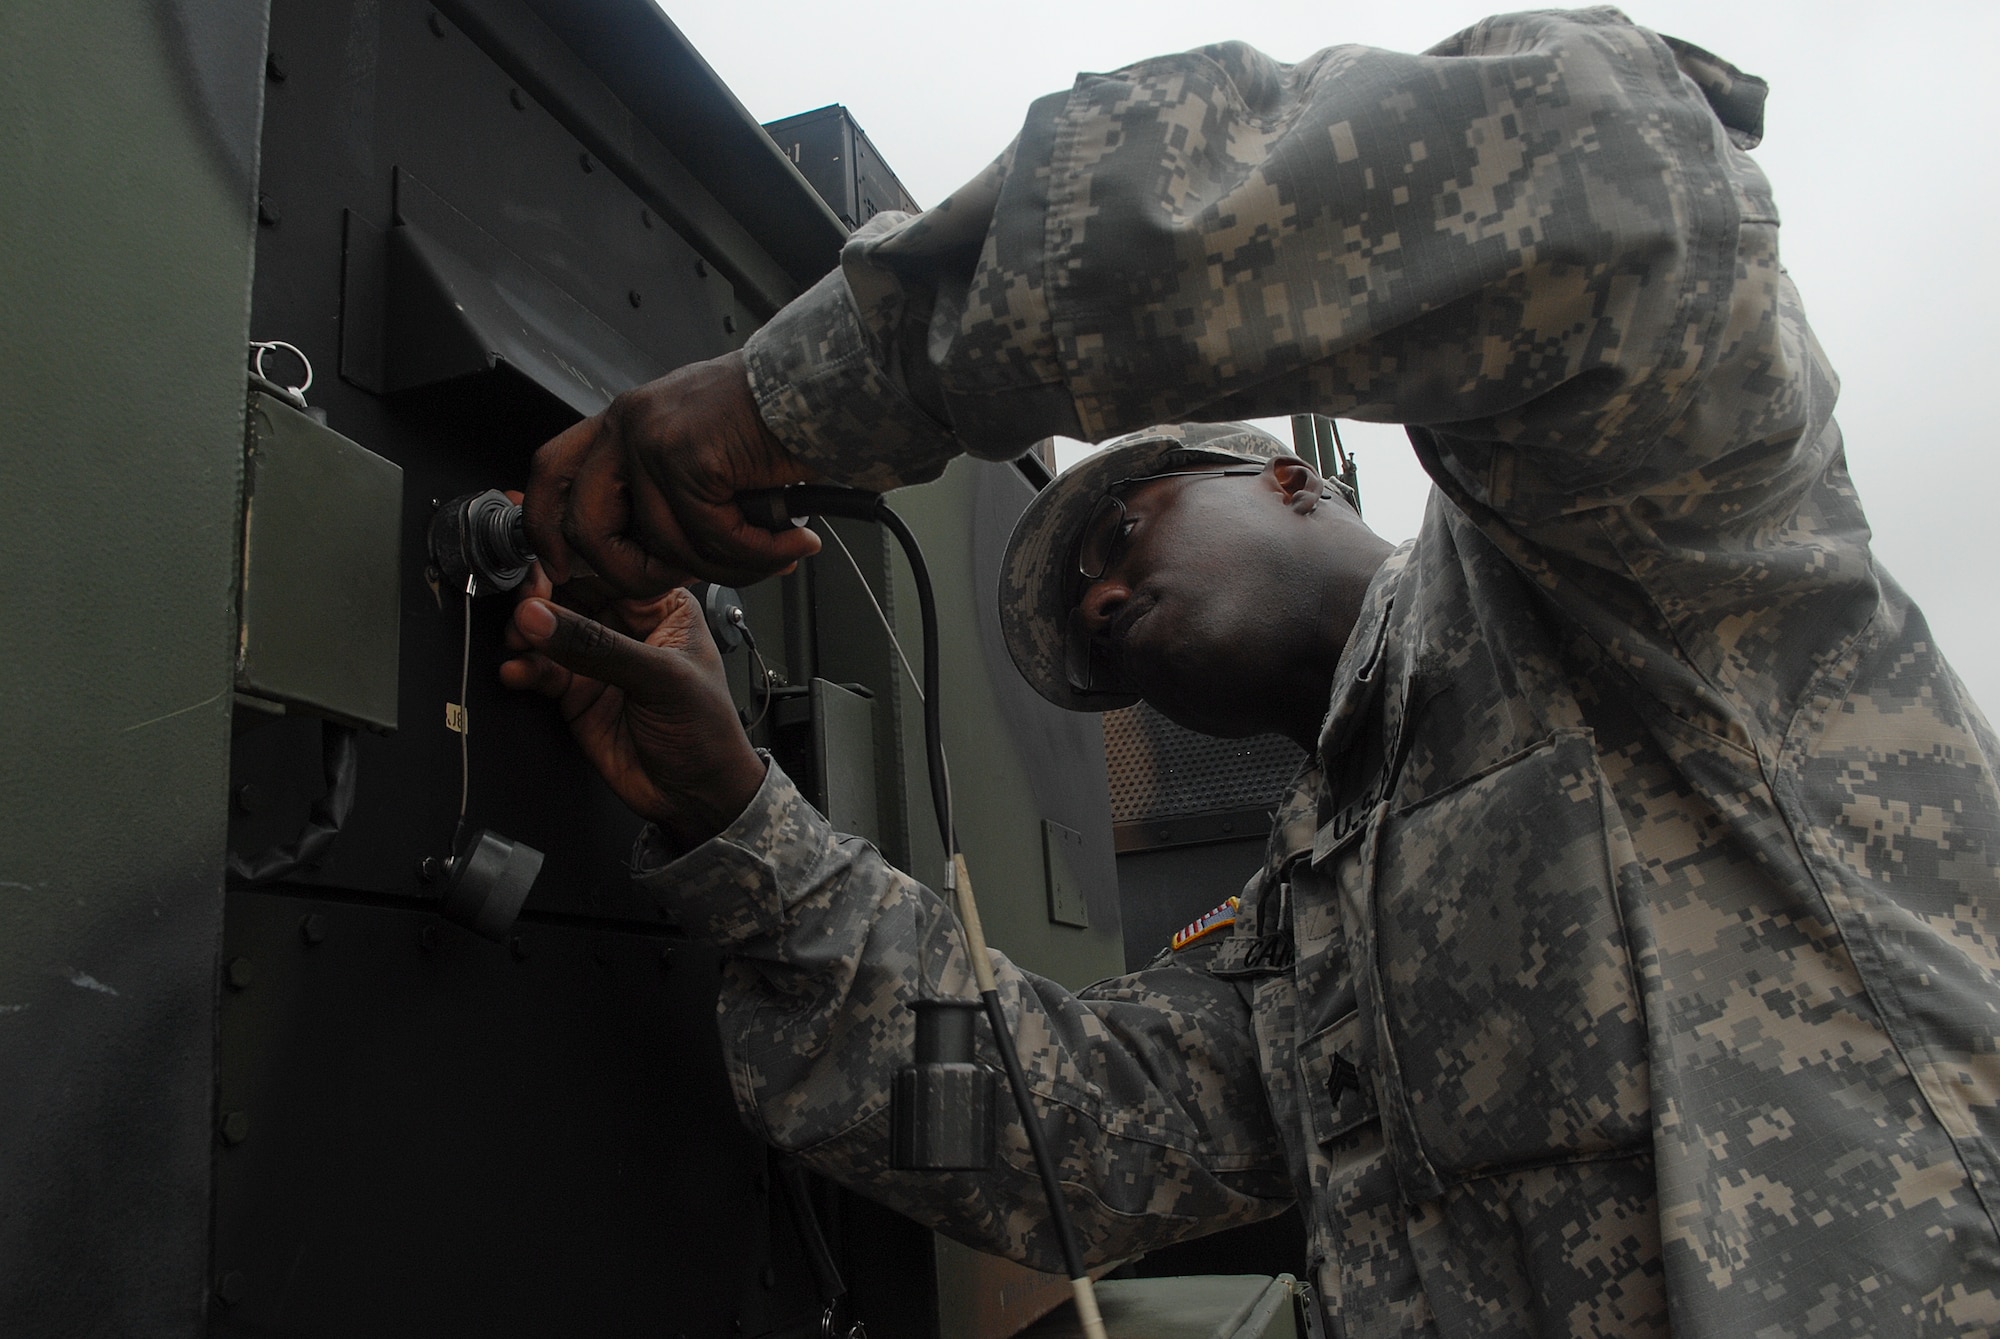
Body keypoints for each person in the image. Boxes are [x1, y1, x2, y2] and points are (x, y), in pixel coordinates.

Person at [501, 8, 2000, 1335]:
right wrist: (743, 828)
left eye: (1123, 523)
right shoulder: (1309, 930)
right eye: (1084, 629)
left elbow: (1597, 158)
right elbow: (1029, 1132)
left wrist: (809, 395)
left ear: (1291, 482)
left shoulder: (1617, 562)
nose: (1092, 598)